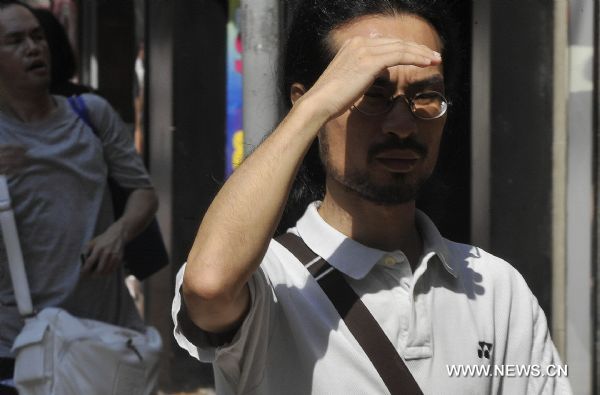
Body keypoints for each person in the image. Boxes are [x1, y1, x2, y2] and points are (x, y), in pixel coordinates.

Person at [172, 0, 572, 394]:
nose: (401, 124)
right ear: (308, 102)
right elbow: (208, 286)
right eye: (370, 94)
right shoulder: (272, 281)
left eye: (426, 95)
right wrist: (314, 108)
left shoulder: (495, 288)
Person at [0, 1, 158, 392]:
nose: (33, 48)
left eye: (37, 36)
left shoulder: (91, 113)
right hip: (20, 345)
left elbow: (143, 191)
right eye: (15, 41)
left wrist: (118, 233)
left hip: (105, 336)